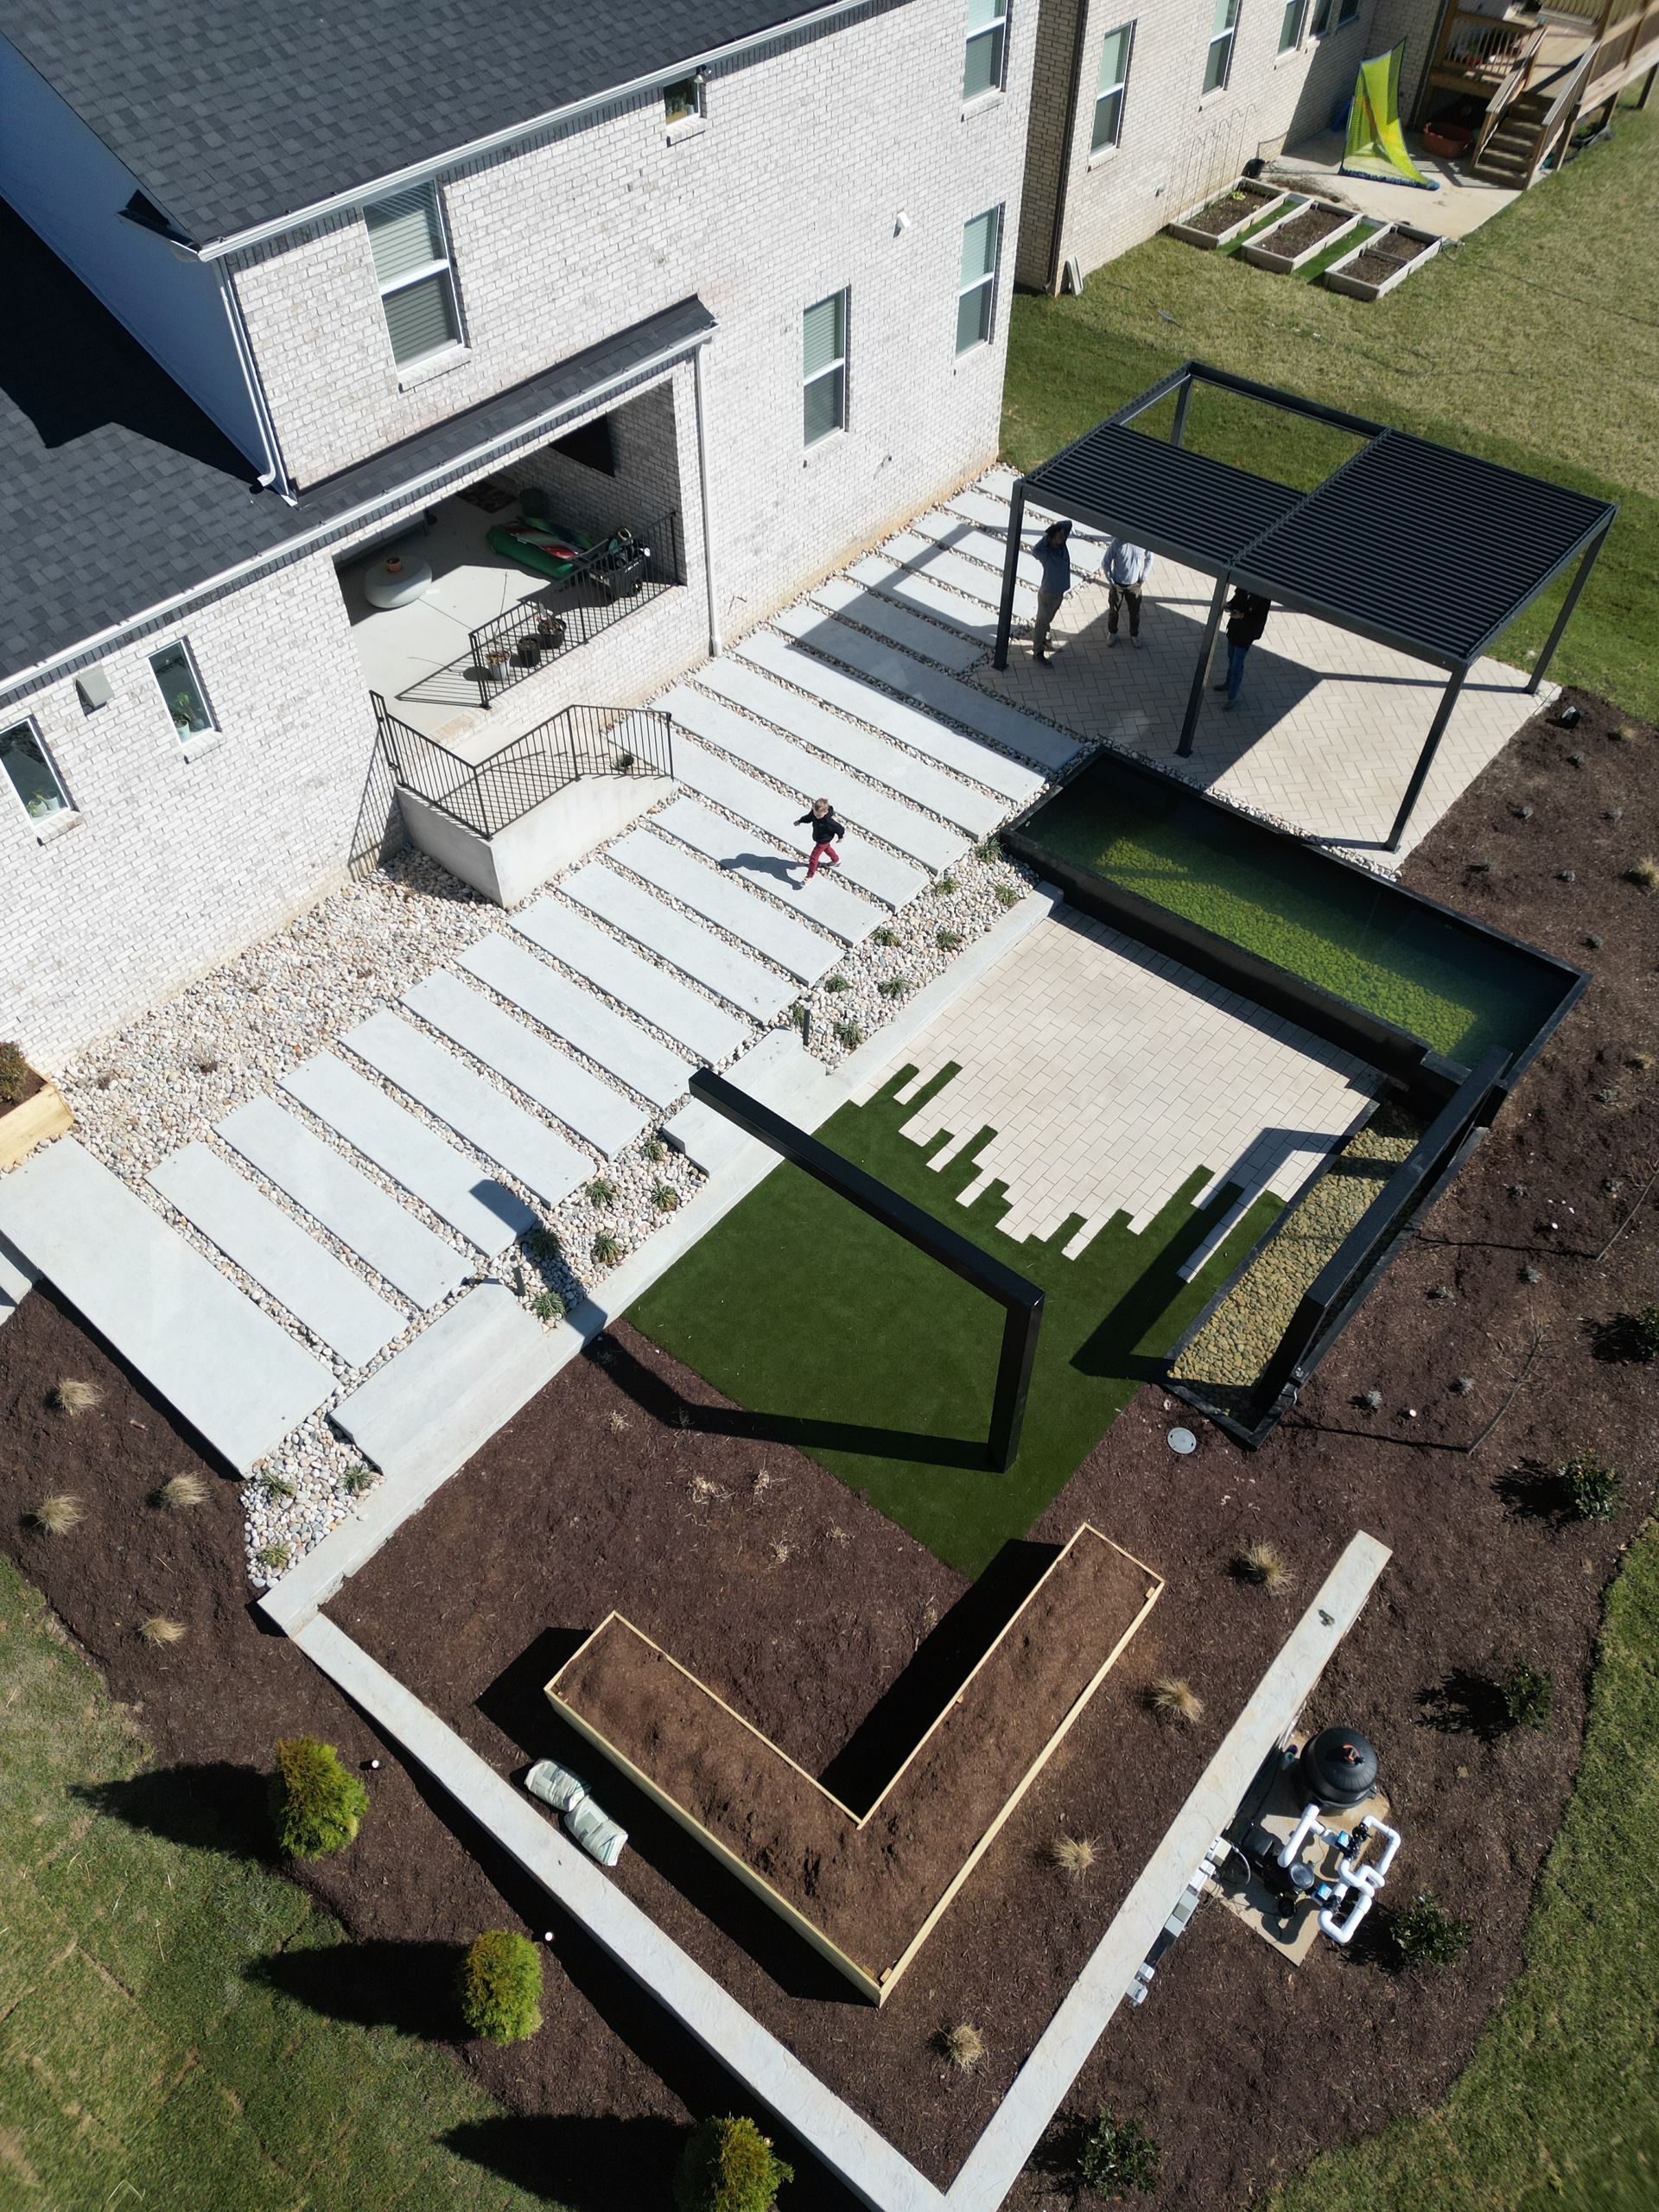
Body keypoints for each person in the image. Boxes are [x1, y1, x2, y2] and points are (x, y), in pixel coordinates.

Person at [1213, 588, 1269, 709]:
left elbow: (1258, 620)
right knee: (1231, 658)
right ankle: (1228, 684)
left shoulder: (1262, 598)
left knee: (1237, 666)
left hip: (1245, 636)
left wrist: (1242, 616)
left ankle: (1231, 698)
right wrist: (1229, 605)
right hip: (1234, 631)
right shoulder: (1242, 589)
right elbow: (1236, 600)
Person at [1031, 518, 1071, 663]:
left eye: (1063, 537)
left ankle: (1046, 641)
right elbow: (1034, 551)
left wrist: (1058, 528)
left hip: (1059, 592)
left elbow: (1068, 523)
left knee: (1048, 618)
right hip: (1048, 593)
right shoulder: (1046, 554)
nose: (1062, 539)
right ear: (1051, 539)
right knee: (1042, 622)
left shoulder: (1062, 547)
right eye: (1058, 538)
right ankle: (1038, 652)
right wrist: (1048, 536)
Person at [1101, 537, 1153, 647]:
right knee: (1113, 610)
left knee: (1135, 612)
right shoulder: (1117, 543)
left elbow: (1150, 557)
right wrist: (1111, 582)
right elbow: (1105, 562)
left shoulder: (1143, 541)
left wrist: (1143, 577)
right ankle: (1112, 632)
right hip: (1118, 585)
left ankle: (1134, 634)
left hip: (1134, 585)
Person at [795, 797, 845, 881]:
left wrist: (840, 837)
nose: (816, 816)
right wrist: (800, 821)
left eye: (819, 815)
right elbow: (808, 817)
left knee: (814, 857)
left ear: (826, 812)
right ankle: (836, 860)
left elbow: (840, 828)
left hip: (823, 840)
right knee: (827, 849)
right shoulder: (815, 813)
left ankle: (810, 876)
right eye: (814, 812)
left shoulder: (828, 822)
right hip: (819, 838)